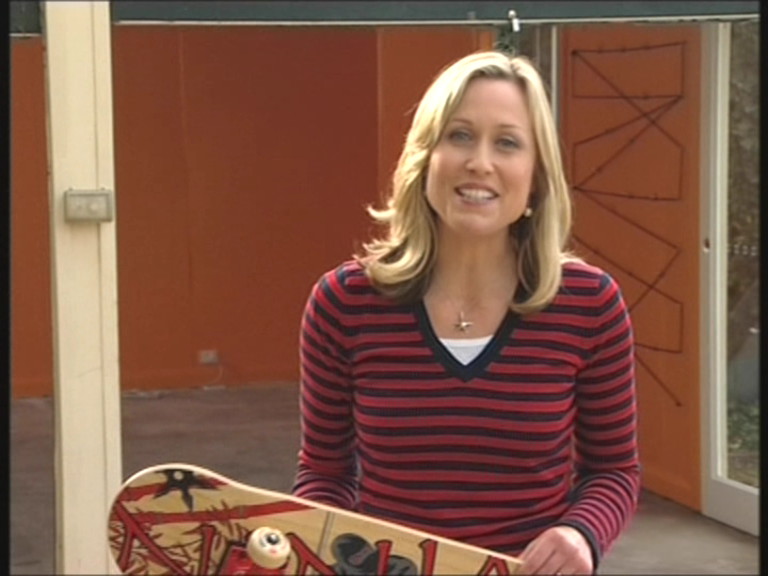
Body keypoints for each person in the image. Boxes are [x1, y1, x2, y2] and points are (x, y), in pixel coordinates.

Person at [292, 50, 639, 575]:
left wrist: (580, 533)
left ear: (536, 177)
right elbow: (325, 473)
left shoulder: (590, 305)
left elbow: (613, 470)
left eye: (507, 142)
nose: (480, 162)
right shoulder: (344, 303)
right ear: (424, 159)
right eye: (459, 135)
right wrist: (326, 547)